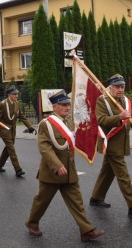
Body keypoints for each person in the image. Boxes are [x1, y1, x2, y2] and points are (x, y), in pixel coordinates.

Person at [25, 90, 104, 242]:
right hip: (52, 172)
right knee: (42, 201)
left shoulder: (69, 122)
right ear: (55, 107)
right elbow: (45, 148)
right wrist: (57, 165)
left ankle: (86, 231)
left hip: (69, 171)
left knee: (77, 202)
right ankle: (32, 222)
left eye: (68, 104)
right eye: (63, 105)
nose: (67, 107)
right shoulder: (46, 124)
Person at [89, 74, 132, 221]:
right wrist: (119, 117)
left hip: (121, 143)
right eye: (117, 87)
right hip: (110, 143)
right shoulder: (102, 101)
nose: (120, 89)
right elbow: (101, 120)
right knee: (123, 176)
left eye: (122, 86)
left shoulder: (125, 101)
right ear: (110, 87)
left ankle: (96, 197)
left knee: (107, 172)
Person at [0, 85, 36, 177]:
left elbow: (21, 116)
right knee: (11, 149)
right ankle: (18, 169)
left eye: (17, 94)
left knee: (8, 148)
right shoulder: (2, 104)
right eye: (14, 94)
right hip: (4, 129)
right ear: (9, 95)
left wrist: (30, 126)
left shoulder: (17, 103)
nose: (16, 96)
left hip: (12, 130)